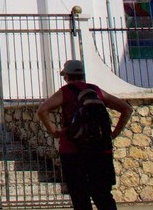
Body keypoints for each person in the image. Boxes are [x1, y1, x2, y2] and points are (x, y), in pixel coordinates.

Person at [36, 59, 132, 210]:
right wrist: (114, 133)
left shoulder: (65, 92)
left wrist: (54, 131)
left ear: (67, 76)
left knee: (80, 197)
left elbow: (42, 110)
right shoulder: (95, 91)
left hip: (72, 151)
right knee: (103, 196)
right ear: (83, 75)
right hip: (101, 150)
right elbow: (126, 109)